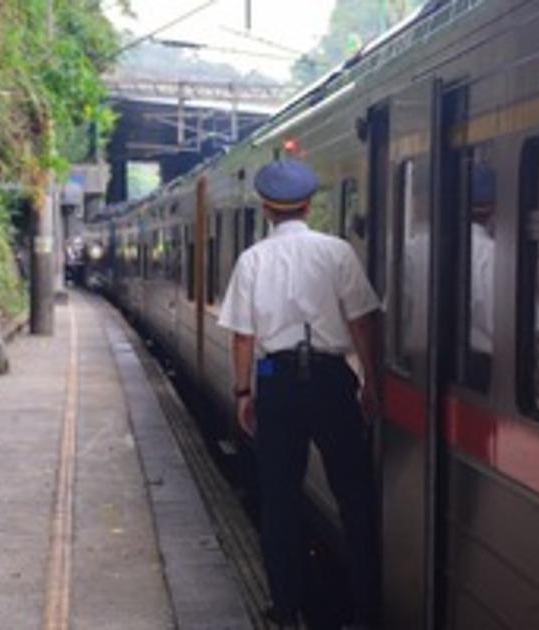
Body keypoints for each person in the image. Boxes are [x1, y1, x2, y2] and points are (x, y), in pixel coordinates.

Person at [218, 158, 381, 629]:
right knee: (355, 496)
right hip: (332, 381)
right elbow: (362, 321)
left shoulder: (252, 260)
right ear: (309, 205)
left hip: (277, 384)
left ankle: (287, 607)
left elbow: (243, 337)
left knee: (280, 499)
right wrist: (369, 382)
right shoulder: (337, 252)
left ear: (266, 209)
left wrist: (244, 392)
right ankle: (366, 606)